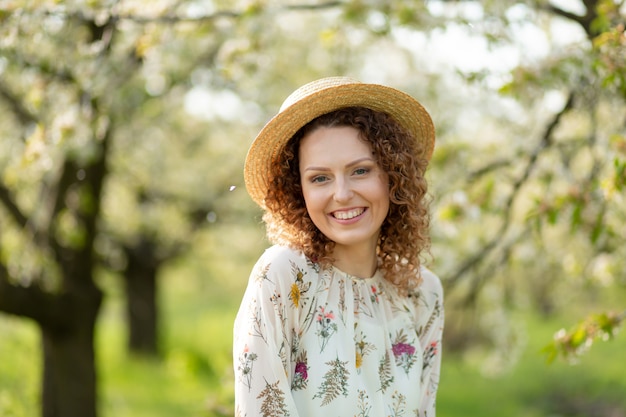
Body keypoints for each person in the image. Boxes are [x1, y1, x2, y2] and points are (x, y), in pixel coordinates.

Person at [234, 76, 444, 417]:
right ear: (296, 189)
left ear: (393, 175)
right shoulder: (283, 277)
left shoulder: (422, 292)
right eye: (320, 178)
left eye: (360, 170)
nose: (342, 194)